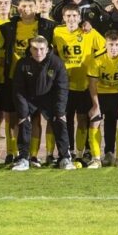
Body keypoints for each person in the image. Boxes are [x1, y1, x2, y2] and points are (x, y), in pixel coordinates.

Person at [0, 0, 56, 165]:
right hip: (14, 78)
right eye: (23, 6)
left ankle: (33, 155)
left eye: (30, 6)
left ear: (36, 8)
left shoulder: (47, 26)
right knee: (13, 117)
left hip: (37, 79)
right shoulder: (9, 27)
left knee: (35, 118)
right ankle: (12, 152)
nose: (27, 9)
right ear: (18, 8)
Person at [53, 6, 107, 165]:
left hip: (85, 84)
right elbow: (51, 49)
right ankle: (68, 151)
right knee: (65, 119)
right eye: (68, 15)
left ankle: (82, 152)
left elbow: (106, 48)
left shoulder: (89, 32)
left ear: (79, 18)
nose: (71, 19)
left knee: (83, 118)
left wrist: (95, 64)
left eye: (74, 16)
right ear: (63, 18)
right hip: (65, 85)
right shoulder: (57, 32)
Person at [11, 36, 74, 170]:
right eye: (35, 49)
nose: (38, 52)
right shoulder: (23, 63)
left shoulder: (56, 63)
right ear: (30, 49)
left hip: (49, 97)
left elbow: (62, 87)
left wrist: (60, 110)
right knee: (23, 120)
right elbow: (18, 89)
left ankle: (64, 158)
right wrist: (23, 110)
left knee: (60, 120)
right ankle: (23, 159)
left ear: (47, 49)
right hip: (29, 98)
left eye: (41, 49)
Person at [89, 31, 118, 168]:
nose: (114, 48)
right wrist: (95, 106)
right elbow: (92, 84)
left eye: (117, 45)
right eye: (111, 44)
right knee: (94, 120)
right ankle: (96, 159)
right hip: (100, 94)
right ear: (105, 45)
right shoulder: (97, 58)